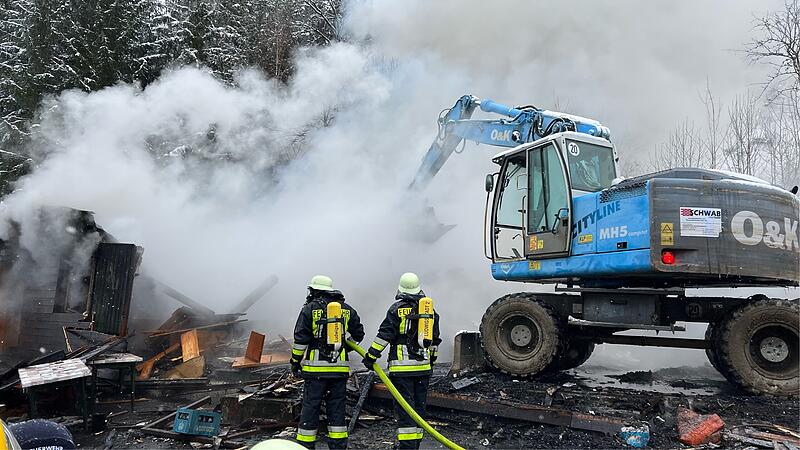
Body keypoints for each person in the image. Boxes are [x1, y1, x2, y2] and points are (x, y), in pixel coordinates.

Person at [362, 272, 441, 450]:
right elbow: (435, 341)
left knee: (406, 409)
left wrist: (371, 357)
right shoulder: (430, 311)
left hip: (402, 369)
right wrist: (431, 362)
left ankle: (407, 446)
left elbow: (384, 336)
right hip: (423, 369)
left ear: (401, 289)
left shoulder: (396, 309)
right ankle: (415, 444)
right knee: (419, 409)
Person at [290, 275, 364, 449]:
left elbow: (300, 340)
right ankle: (338, 446)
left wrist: (295, 362)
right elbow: (359, 334)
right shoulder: (346, 309)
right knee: (337, 410)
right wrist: (344, 347)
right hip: (339, 372)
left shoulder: (309, 309)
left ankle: (306, 446)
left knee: (310, 409)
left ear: (315, 291)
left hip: (315, 373)